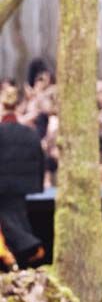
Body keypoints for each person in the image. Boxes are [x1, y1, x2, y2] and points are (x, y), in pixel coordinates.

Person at [0, 85, 45, 268]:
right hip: (23, 186)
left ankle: (31, 247)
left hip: (3, 187)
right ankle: (23, 258)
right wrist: (38, 185)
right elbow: (40, 159)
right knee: (18, 218)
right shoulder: (30, 133)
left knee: (8, 220)